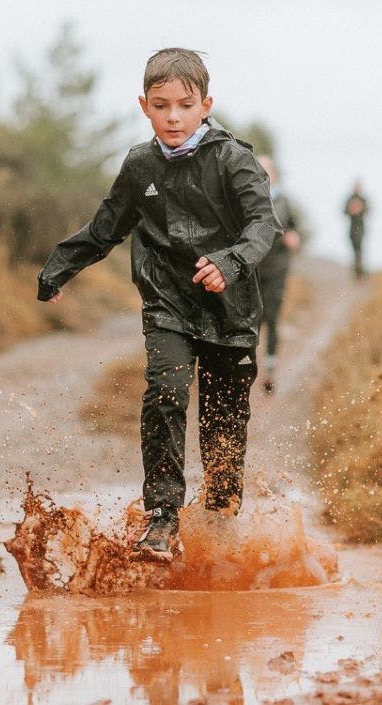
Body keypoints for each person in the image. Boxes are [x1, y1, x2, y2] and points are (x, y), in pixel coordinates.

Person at [36, 48, 280, 563]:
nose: (173, 116)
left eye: (185, 105)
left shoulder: (234, 160)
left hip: (230, 311)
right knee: (166, 393)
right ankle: (162, 520)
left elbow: (264, 226)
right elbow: (107, 227)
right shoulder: (140, 164)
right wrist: (59, 267)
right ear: (144, 106)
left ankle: (218, 521)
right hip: (167, 302)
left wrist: (231, 262)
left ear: (205, 105)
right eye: (161, 104)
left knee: (224, 423)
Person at [254, 155, 301, 394]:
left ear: (275, 174)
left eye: (268, 170)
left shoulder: (283, 202)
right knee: (251, 318)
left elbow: (293, 227)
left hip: (277, 267)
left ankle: (270, 368)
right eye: (258, 169)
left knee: (272, 316)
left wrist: (293, 236)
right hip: (250, 269)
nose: (264, 174)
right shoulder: (246, 200)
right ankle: (245, 369)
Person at [344, 180, 370, 280]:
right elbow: (344, 211)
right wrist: (351, 209)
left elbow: (368, 210)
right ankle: (357, 272)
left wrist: (360, 209)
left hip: (361, 227)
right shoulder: (349, 199)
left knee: (359, 249)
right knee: (354, 249)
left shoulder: (363, 199)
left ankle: (360, 272)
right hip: (352, 227)